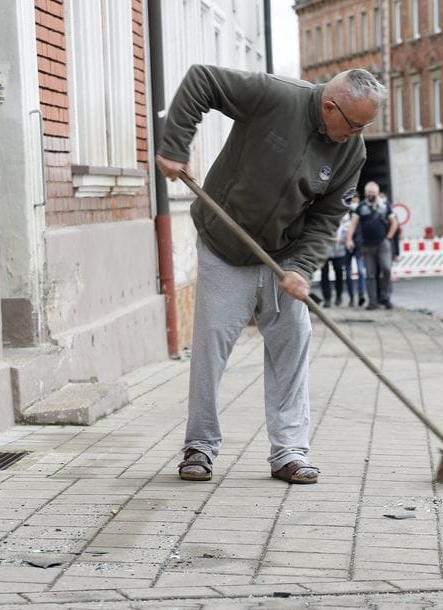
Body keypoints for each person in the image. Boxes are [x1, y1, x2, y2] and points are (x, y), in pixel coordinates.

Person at [155, 65, 384, 485]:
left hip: (283, 256)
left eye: (364, 127)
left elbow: (327, 218)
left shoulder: (352, 152)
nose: (356, 136)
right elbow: (202, 80)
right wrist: (175, 143)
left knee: (293, 345)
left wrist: (302, 267)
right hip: (224, 243)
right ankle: (199, 447)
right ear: (330, 107)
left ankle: (290, 452)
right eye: (353, 126)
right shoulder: (276, 96)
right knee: (211, 347)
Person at [348, 181, 398, 309]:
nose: (371, 194)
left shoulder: (385, 206)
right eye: (368, 192)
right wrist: (349, 239)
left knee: (386, 269)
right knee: (370, 274)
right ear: (365, 193)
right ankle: (373, 302)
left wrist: (389, 237)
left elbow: (394, 222)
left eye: (373, 192)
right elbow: (353, 224)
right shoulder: (361, 207)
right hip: (367, 245)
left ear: (377, 192)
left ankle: (385, 297)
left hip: (382, 243)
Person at [319, 209, 353, 305]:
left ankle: (339, 296)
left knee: (339, 272)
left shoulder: (343, 211)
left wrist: (343, 238)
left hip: (338, 247)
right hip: (324, 248)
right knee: (324, 273)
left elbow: (347, 227)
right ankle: (327, 298)